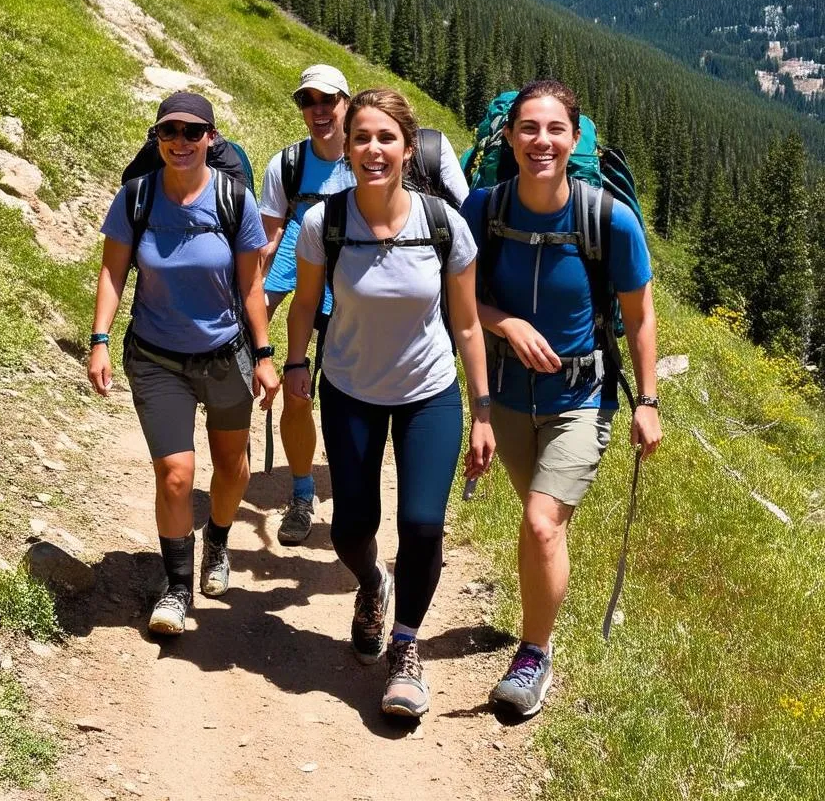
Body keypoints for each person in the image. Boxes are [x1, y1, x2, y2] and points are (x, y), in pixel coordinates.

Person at [285, 88, 494, 718]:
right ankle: (372, 583)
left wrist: (483, 410)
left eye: (386, 138)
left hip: (430, 394)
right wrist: (295, 362)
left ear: (408, 147)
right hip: (350, 391)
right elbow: (304, 303)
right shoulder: (328, 222)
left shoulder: (442, 223)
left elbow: (466, 326)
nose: (373, 150)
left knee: (423, 524)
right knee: (351, 528)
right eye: (361, 139)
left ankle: (406, 647)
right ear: (346, 149)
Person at [460, 79, 662, 717]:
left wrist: (647, 399)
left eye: (554, 130)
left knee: (541, 524)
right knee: (539, 520)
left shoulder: (608, 219)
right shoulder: (483, 211)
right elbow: (459, 305)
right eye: (529, 129)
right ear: (511, 139)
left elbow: (640, 315)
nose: (541, 141)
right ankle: (537, 619)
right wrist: (506, 325)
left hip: (582, 399)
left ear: (573, 140)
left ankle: (534, 655)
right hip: (511, 399)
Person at [88, 92, 280, 637]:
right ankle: (176, 588)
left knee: (232, 468)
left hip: (226, 354)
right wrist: (99, 339)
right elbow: (112, 273)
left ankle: (217, 538)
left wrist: (264, 355)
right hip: (155, 355)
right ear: (157, 139)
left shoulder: (233, 200)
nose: (180, 142)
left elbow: (251, 283)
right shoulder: (136, 198)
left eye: (192, 133)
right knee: (176, 475)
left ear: (210, 139)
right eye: (169, 132)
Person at [260, 64, 470, 545]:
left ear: (345, 103)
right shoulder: (287, 165)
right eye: (306, 101)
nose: (317, 110)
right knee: (299, 396)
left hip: (387, 311)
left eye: (327, 100)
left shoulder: (383, 160)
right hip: (322, 301)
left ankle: (399, 525)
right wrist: (258, 323)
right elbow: (269, 244)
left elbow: (460, 221)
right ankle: (301, 492)